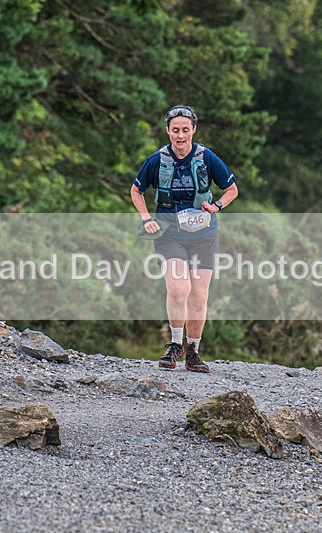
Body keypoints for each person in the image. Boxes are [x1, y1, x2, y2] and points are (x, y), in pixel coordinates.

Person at [130, 104, 238, 373]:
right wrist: (147, 219)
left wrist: (217, 206)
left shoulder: (207, 157)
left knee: (199, 294)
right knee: (179, 288)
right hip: (169, 235)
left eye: (185, 130)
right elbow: (136, 191)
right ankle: (174, 344)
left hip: (204, 235)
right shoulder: (157, 160)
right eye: (175, 130)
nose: (180, 136)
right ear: (168, 131)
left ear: (193, 131)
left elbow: (232, 189)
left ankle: (193, 351)